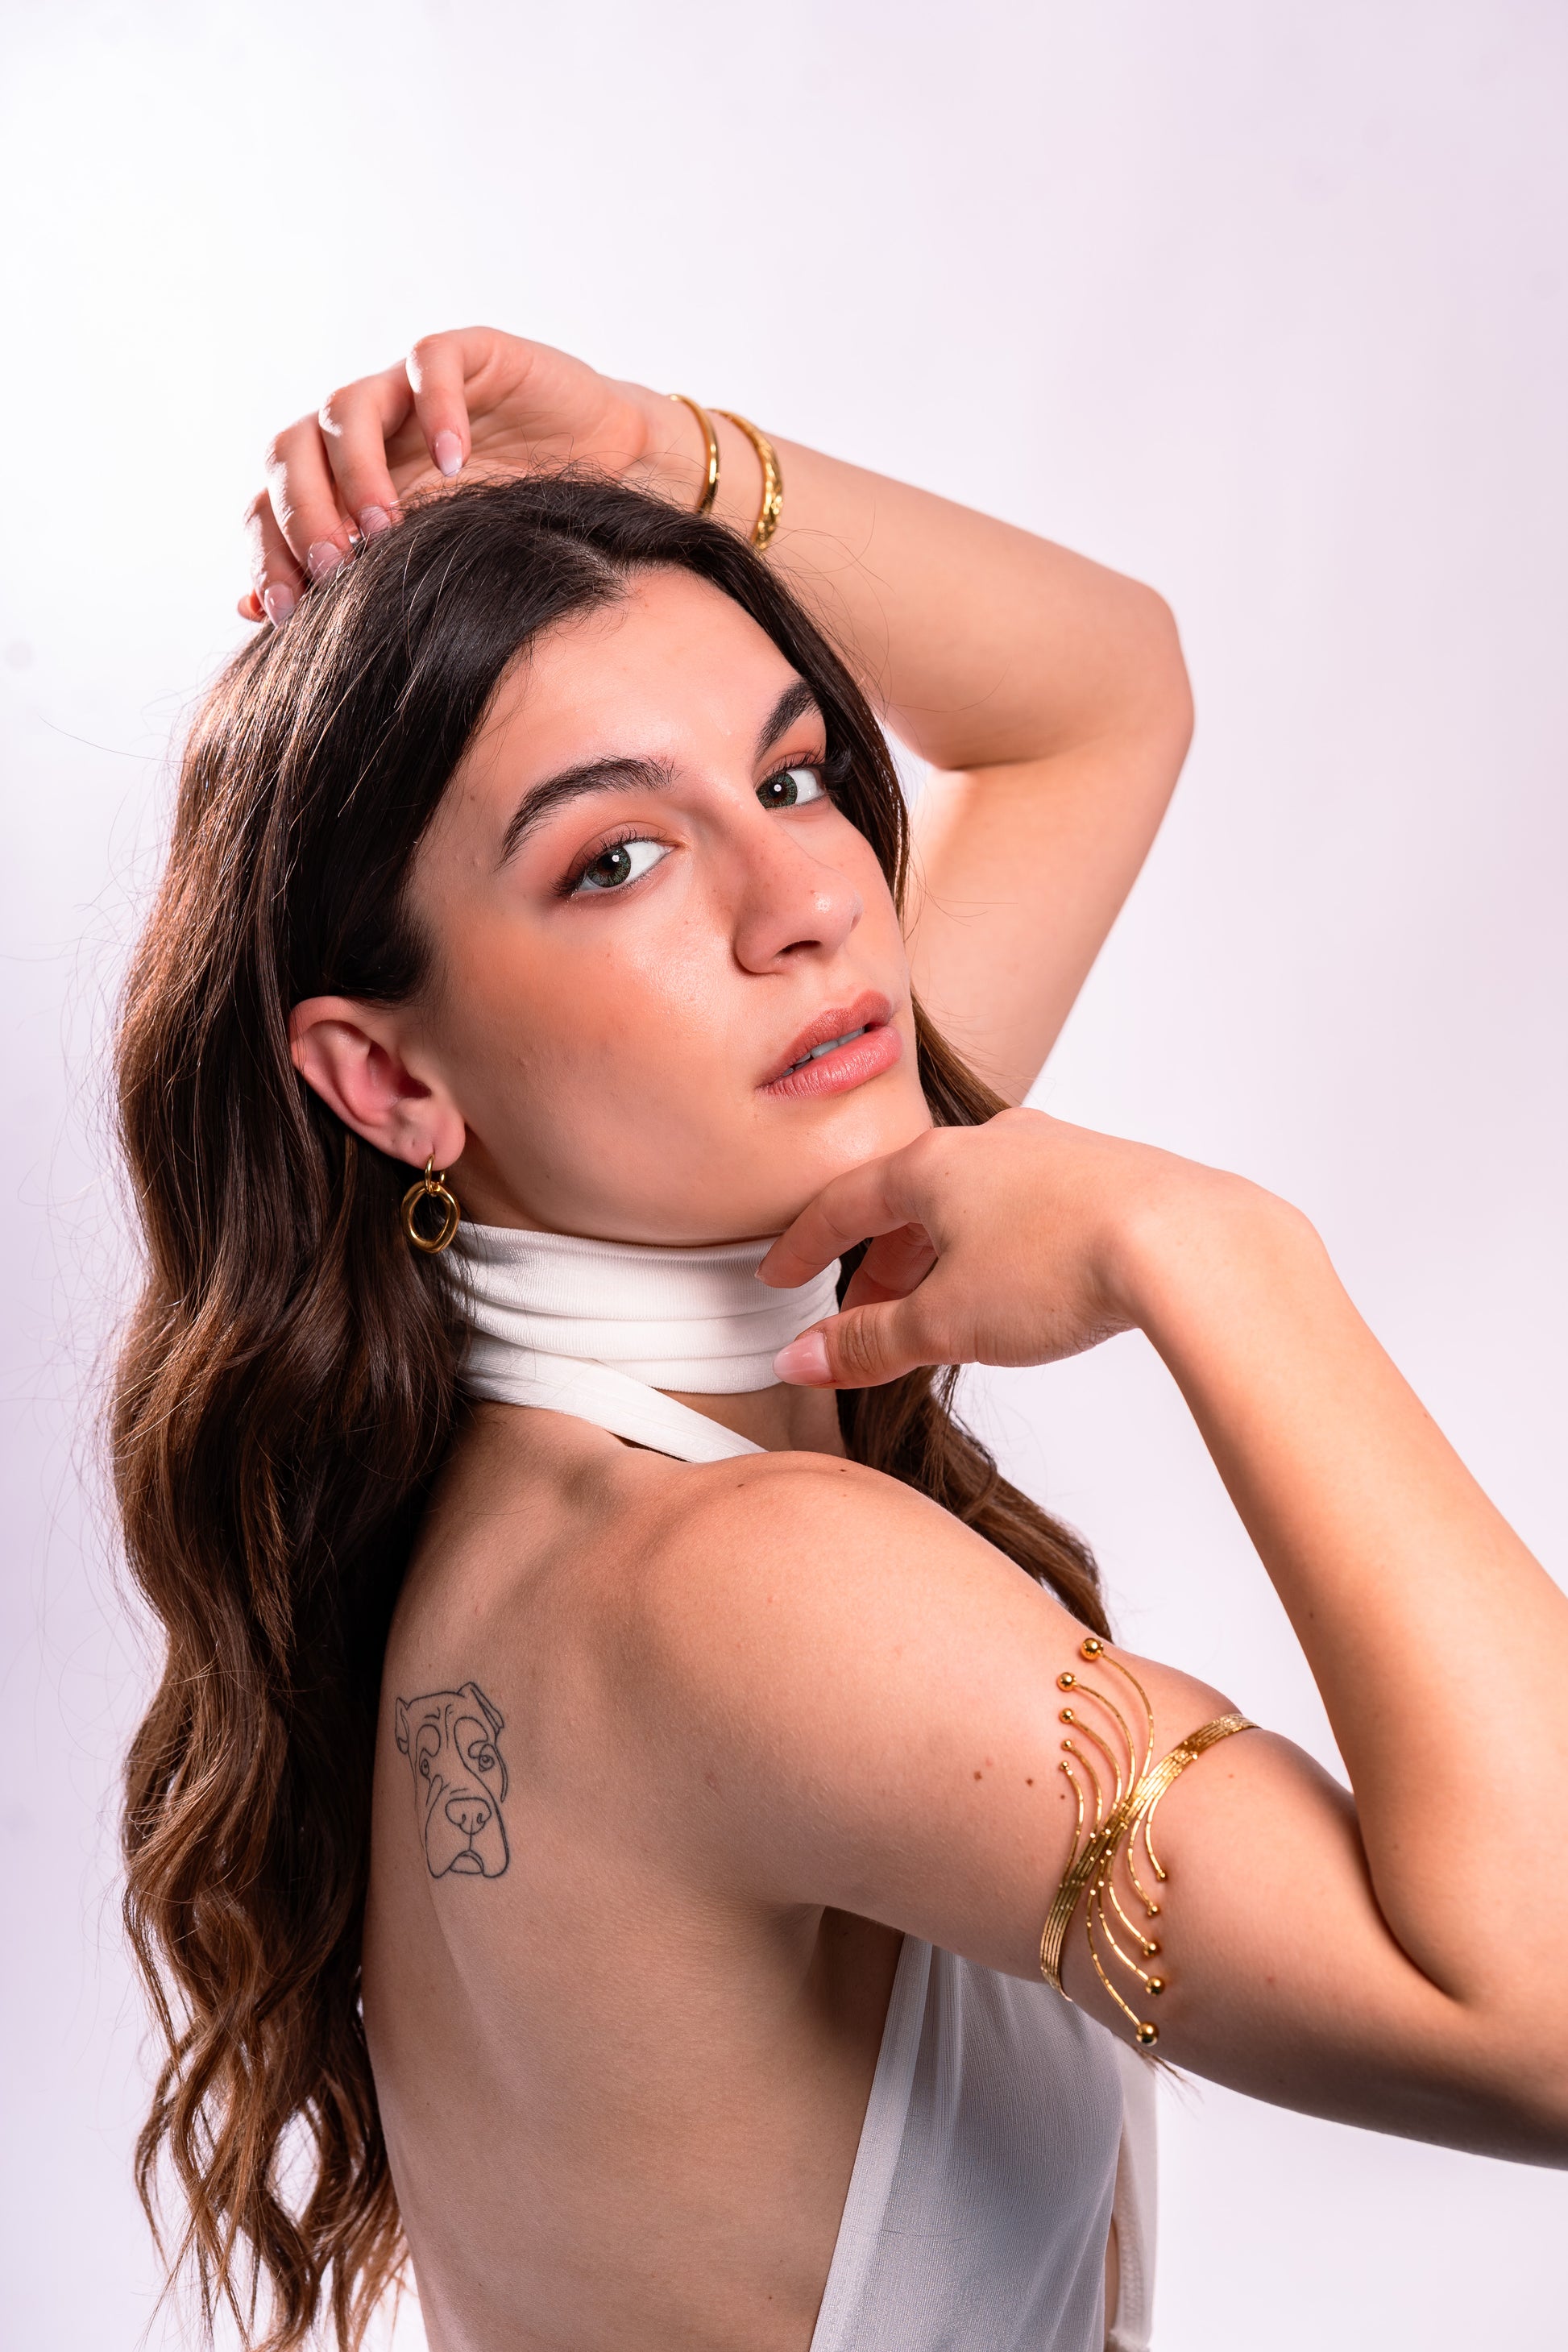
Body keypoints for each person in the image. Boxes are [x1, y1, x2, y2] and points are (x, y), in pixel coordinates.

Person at [114, 328, 1568, 2352]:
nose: (802, 895)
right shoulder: (746, 1583)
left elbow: (1099, 700)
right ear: (390, 1080)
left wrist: (643, 455)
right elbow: (1542, 2015)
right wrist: (1218, 1247)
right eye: (614, 858)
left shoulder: (553, 1444)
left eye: (793, 773)